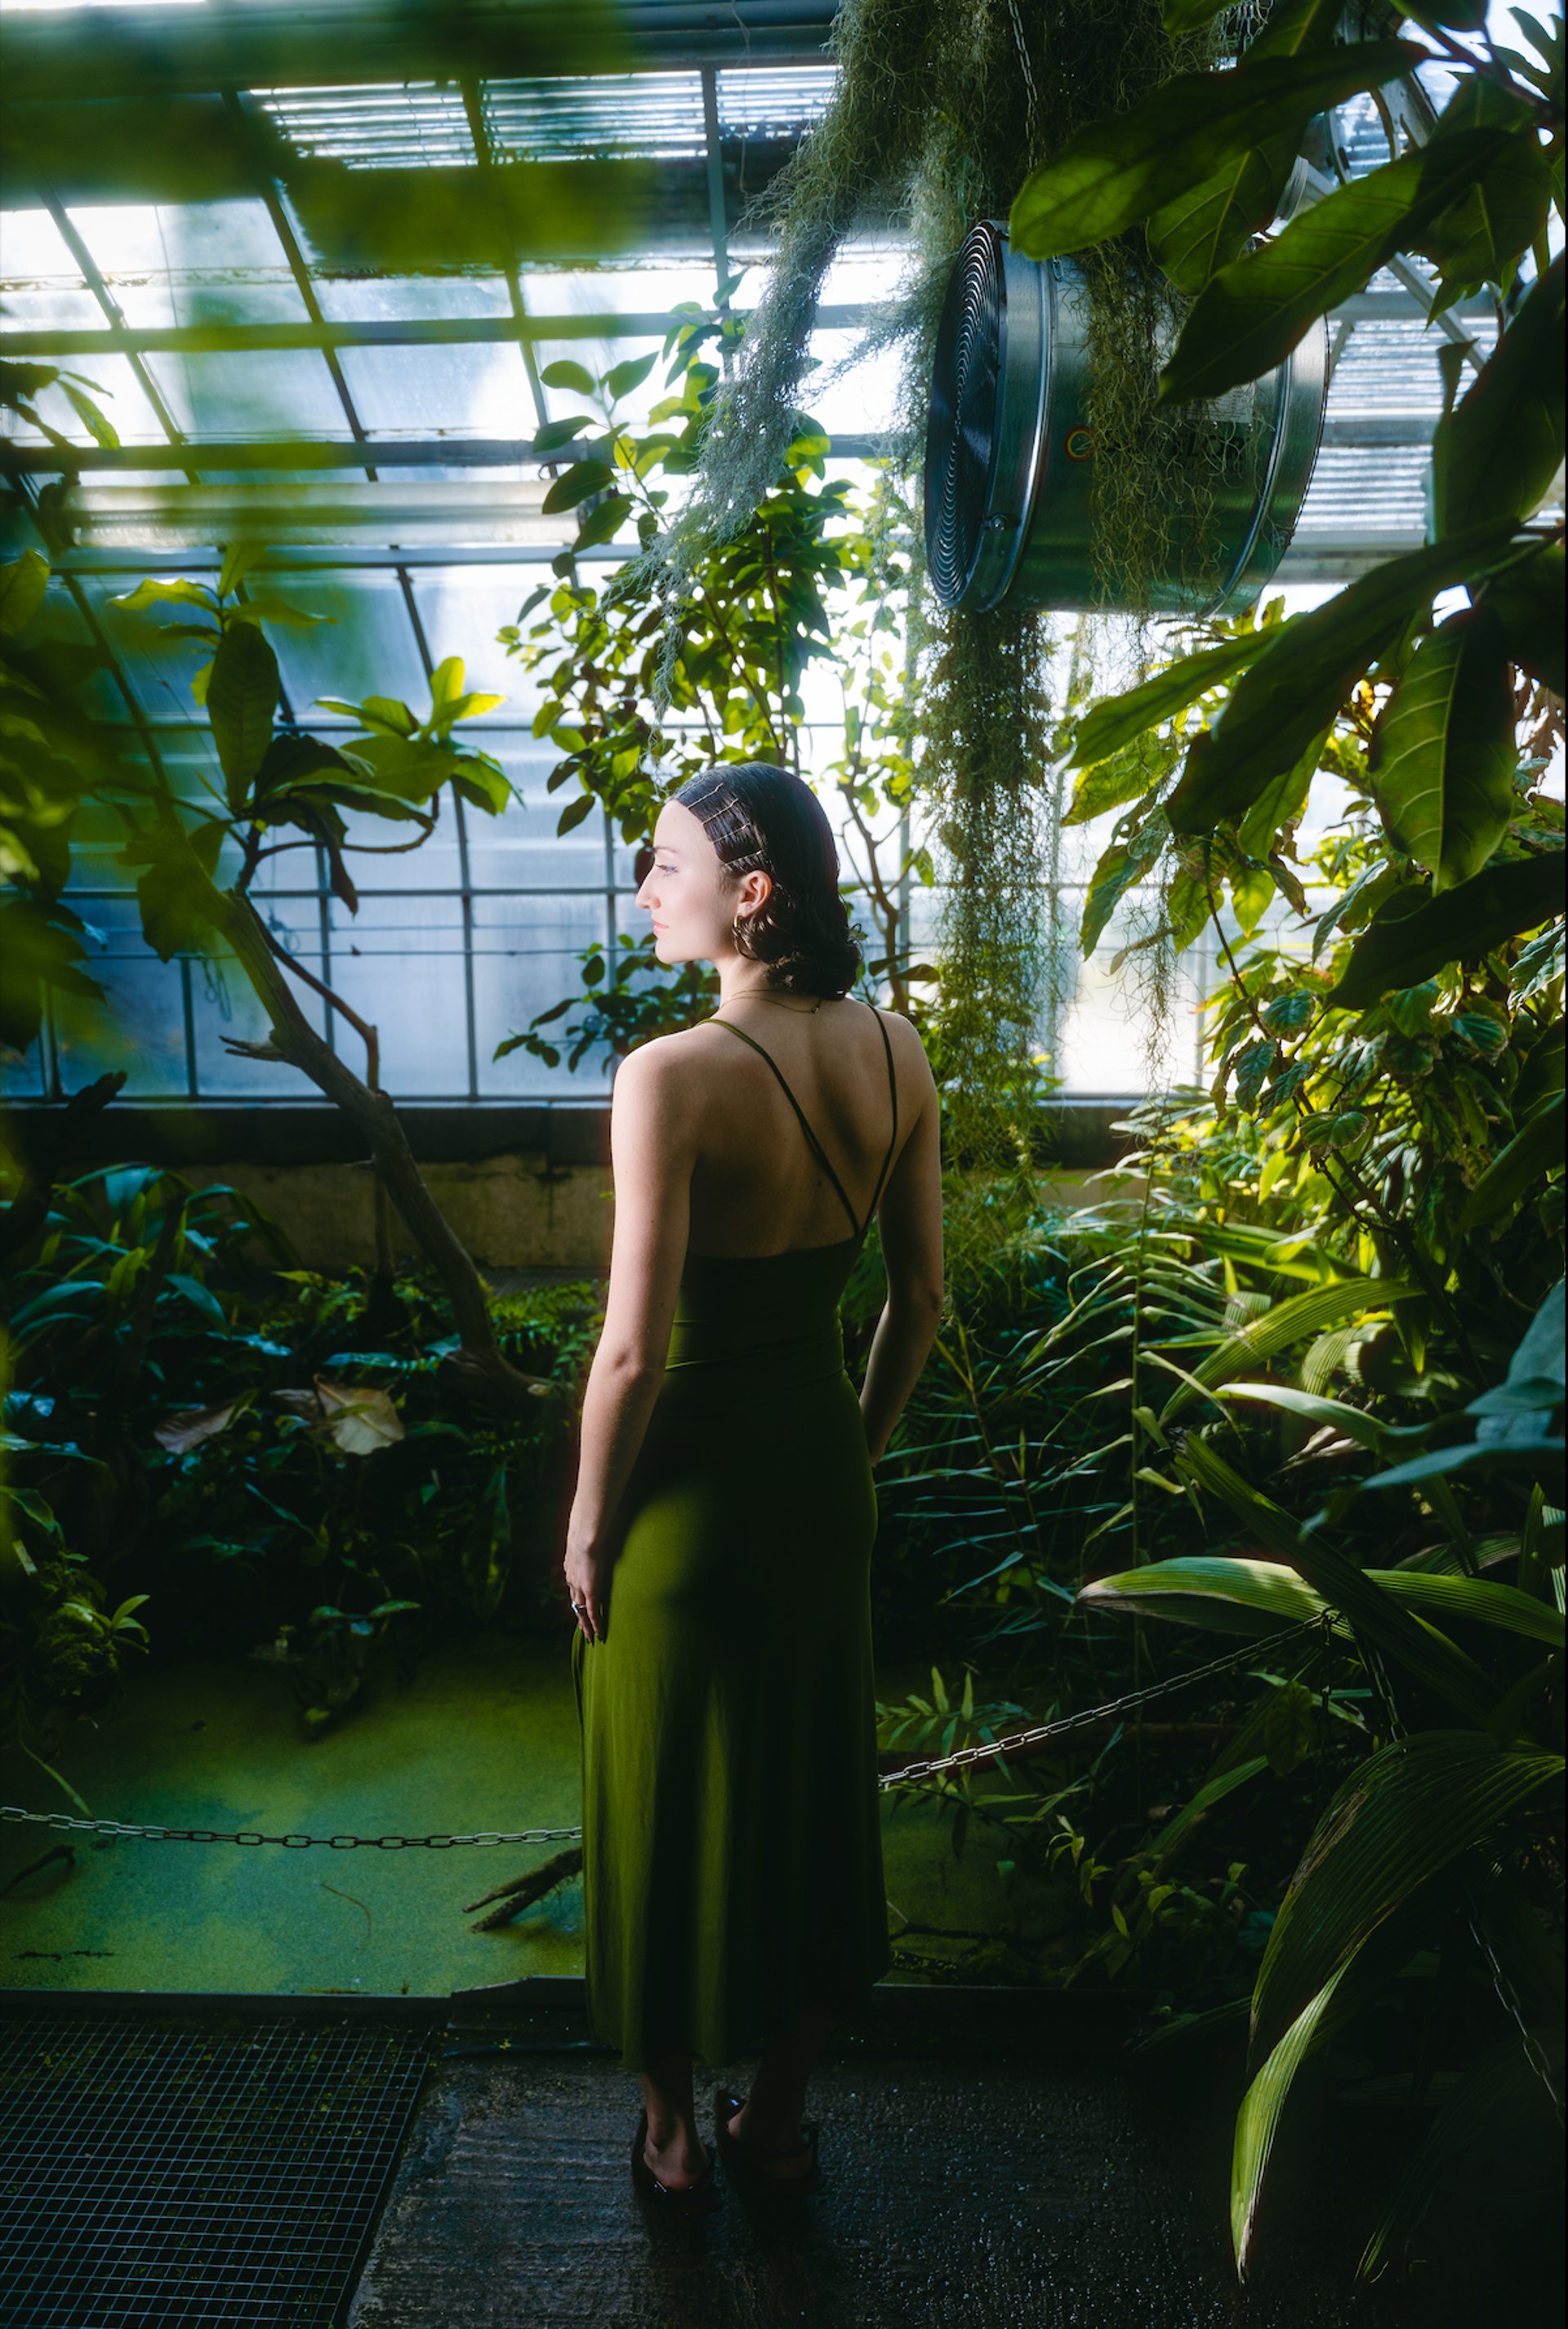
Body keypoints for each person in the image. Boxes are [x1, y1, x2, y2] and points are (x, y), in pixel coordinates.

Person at [564, 759, 943, 2216]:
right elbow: (921, 1297)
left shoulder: (670, 1078)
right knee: (807, 1795)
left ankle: (669, 2130)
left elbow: (631, 1349)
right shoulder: (898, 1050)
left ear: (752, 890)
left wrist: (589, 1523)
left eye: (663, 864)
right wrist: (854, 1449)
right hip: (816, 1480)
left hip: (689, 1507)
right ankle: (777, 2120)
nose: (645, 889)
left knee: (661, 1796)